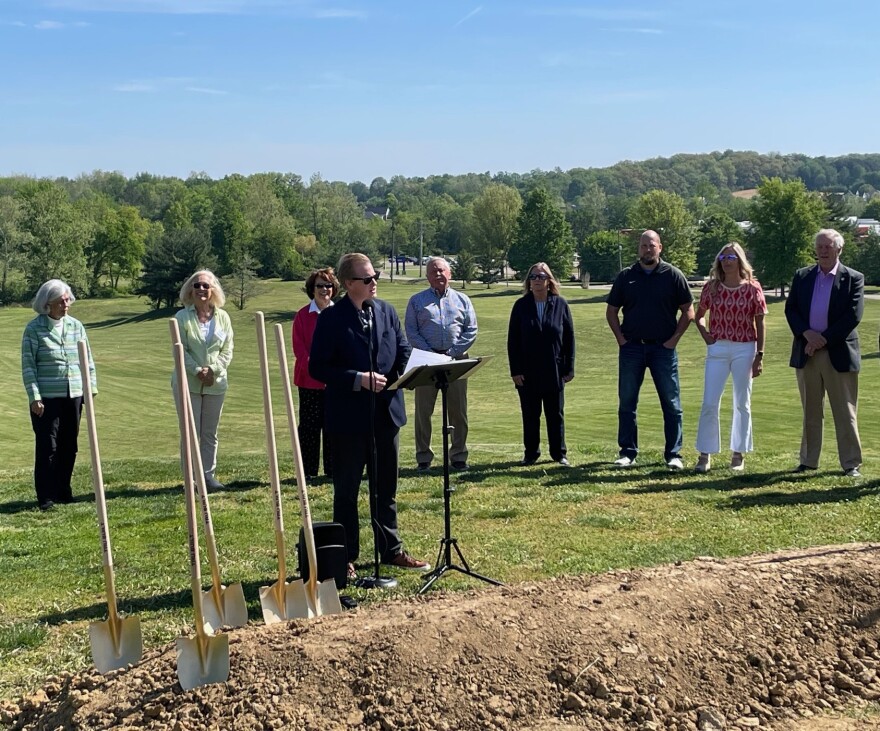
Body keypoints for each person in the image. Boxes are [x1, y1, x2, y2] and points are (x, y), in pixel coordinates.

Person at [309, 252, 430, 579]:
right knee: (346, 490)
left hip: (386, 414)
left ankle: (391, 550)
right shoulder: (331, 320)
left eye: (375, 275)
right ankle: (345, 556)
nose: (374, 281)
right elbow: (317, 367)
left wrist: (417, 370)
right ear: (349, 284)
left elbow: (402, 350)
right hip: (348, 419)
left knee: (386, 486)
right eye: (367, 278)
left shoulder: (387, 312)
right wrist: (357, 379)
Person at [606, 230, 694, 470]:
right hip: (632, 348)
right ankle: (627, 452)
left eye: (651, 245)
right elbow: (611, 311)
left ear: (660, 248)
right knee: (627, 403)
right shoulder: (626, 276)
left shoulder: (673, 275)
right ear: (639, 248)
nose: (647, 249)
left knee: (671, 403)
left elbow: (688, 311)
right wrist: (620, 340)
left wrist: (674, 340)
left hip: (663, 349)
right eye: (643, 245)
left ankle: (674, 454)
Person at [784, 229, 864, 477]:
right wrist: (807, 334)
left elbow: (852, 316)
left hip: (837, 353)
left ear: (839, 248)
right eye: (819, 246)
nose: (822, 250)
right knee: (810, 409)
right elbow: (792, 310)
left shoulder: (853, 278)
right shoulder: (803, 276)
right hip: (807, 352)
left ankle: (851, 463)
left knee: (844, 411)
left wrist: (821, 340)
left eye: (828, 246)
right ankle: (808, 461)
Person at [21, 279, 97, 511]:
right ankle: (46, 496)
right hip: (46, 399)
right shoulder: (34, 329)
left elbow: (88, 360)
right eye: (61, 301)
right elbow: (28, 366)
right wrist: (34, 396)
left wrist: (90, 388)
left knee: (69, 445)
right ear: (47, 303)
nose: (66, 304)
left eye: (67, 299)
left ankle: (63, 490)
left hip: (73, 394)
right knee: (48, 446)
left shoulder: (76, 326)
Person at [693, 242, 767, 473]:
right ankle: (705, 455)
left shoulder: (753, 288)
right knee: (709, 402)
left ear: (740, 261)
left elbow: (760, 322)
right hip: (718, 349)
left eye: (732, 257)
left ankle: (738, 453)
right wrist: (705, 334)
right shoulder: (711, 288)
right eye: (723, 256)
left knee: (741, 403)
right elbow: (699, 315)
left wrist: (759, 355)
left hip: (745, 348)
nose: (727, 260)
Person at [405, 256, 478, 472]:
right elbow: (411, 331)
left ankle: (458, 456)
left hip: (456, 362)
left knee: (458, 410)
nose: (438, 274)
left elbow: (471, 329)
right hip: (426, 363)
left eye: (442, 270)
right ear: (427, 276)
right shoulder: (416, 301)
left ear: (450, 274)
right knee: (423, 412)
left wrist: (451, 353)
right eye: (433, 271)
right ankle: (423, 457)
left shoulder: (463, 300)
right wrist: (431, 354)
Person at [507, 262, 575, 467]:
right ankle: (531, 453)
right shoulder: (521, 305)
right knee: (530, 414)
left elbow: (569, 338)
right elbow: (513, 341)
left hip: (554, 369)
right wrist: (516, 371)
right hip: (527, 371)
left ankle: (559, 454)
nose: (537, 280)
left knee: (556, 414)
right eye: (533, 277)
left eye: (541, 276)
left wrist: (569, 368)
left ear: (549, 281)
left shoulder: (560, 304)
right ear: (528, 281)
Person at [172, 270, 234, 491]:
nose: (201, 290)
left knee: (209, 433)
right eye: (197, 285)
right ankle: (190, 479)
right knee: (190, 432)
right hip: (188, 382)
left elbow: (227, 350)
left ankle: (208, 477)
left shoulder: (223, 317)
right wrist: (198, 370)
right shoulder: (182, 317)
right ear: (190, 289)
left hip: (216, 384)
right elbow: (180, 350)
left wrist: (213, 371)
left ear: (213, 290)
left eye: (206, 286)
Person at [292, 267, 339, 482]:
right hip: (309, 381)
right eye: (320, 285)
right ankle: (308, 472)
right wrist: (317, 368)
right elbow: (299, 349)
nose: (324, 289)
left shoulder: (339, 314)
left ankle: (332, 470)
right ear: (312, 289)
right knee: (309, 429)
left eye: (328, 285)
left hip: (336, 383)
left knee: (333, 427)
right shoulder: (303, 315)